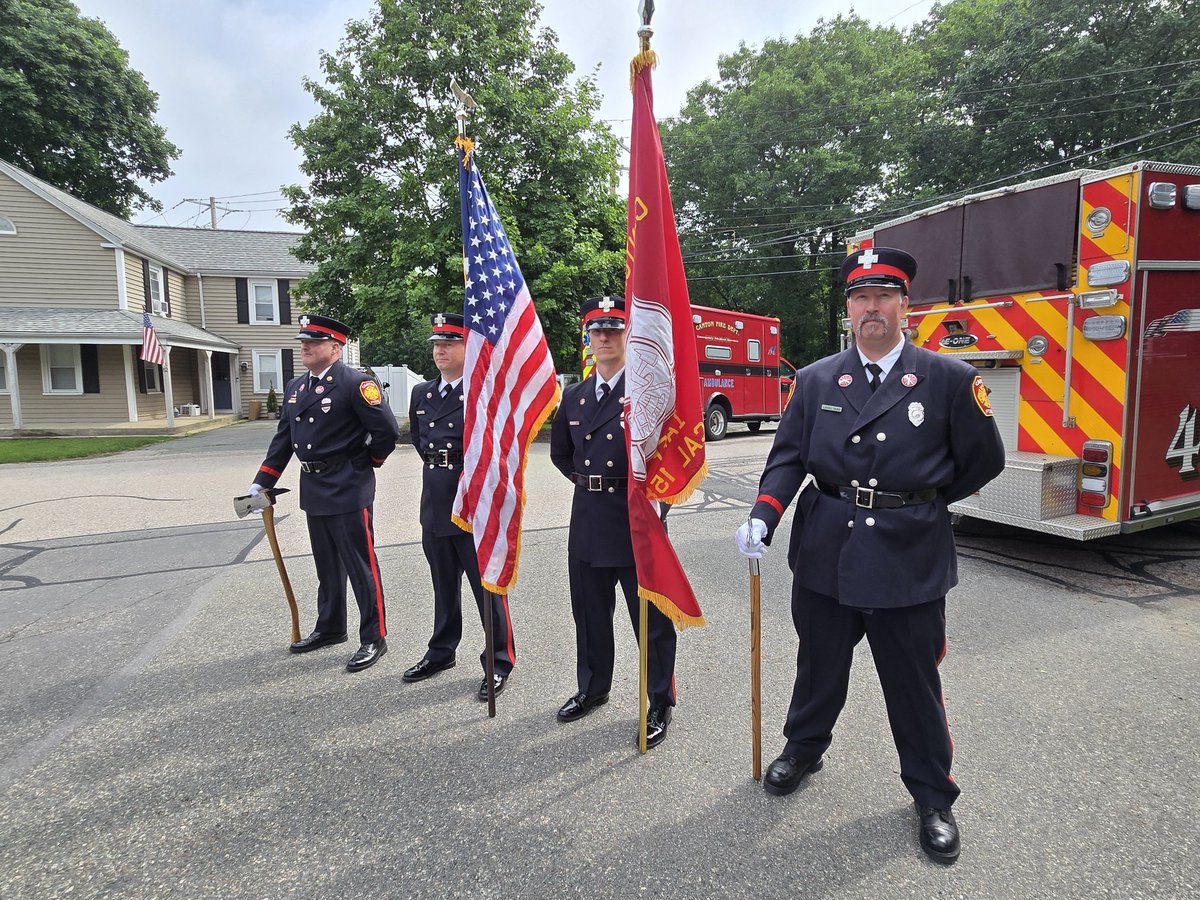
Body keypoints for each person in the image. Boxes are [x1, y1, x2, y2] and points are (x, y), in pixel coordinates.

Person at [735, 247, 1004, 863]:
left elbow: (983, 460)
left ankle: (933, 795)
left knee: (913, 683)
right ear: (849, 310)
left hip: (908, 557)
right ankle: (803, 748)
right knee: (818, 665)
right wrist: (764, 513)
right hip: (827, 549)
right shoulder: (818, 379)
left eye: (884, 296)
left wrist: (923, 501)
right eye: (860, 298)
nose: (871, 308)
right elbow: (789, 459)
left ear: (906, 305)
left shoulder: (949, 379)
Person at [550, 295, 678, 749]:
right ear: (588, 338)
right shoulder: (576, 395)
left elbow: (669, 458)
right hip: (588, 516)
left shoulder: (649, 392)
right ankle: (593, 687)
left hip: (636, 518)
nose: (605, 337)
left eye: (614, 329)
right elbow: (561, 454)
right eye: (597, 331)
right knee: (589, 613)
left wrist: (651, 500)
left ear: (629, 335)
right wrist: (594, 485)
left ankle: (660, 699)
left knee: (650, 621)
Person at [249, 314, 400, 672]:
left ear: (335, 348)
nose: (306, 346)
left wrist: (365, 464)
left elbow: (387, 432)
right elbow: (283, 439)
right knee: (326, 565)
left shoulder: (355, 384)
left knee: (360, 565)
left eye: (314, 342)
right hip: (314, 486)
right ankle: (331, 627)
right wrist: (262, 482)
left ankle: (374, 637)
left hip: (348, 485)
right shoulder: (296, 387)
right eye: (303, 341)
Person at [402, 313, 516, 700]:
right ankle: (442, 651)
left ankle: (499, 660)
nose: (440, 350)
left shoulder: (483, 394)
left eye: (449, 343)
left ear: (469, 348)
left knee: (486, 586)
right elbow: (421, 442)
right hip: (435, 500)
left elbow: (498, 447)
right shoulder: (423, 393)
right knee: (443, 583)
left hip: (473, 503)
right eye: (436, 344)